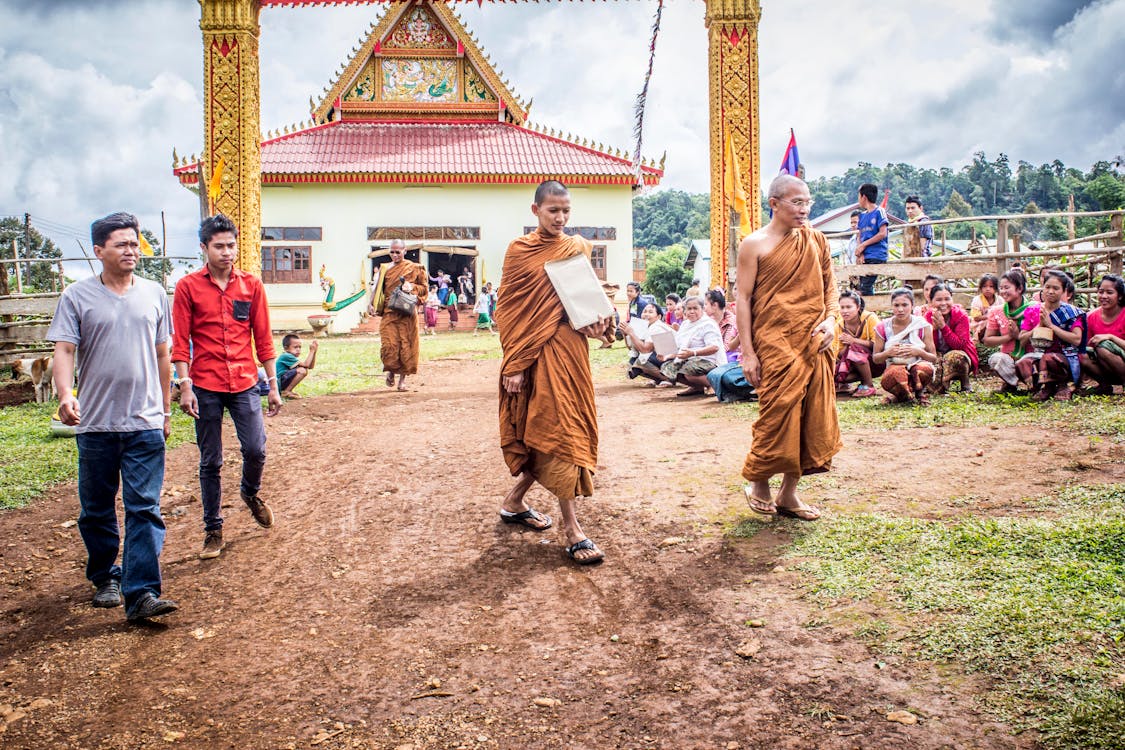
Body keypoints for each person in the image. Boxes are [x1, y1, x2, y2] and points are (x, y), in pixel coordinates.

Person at [47, 212, 178, 622]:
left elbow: (163, 354)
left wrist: (165, 409)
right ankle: (105, 575)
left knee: (144, 507)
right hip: (97, 424)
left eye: (135, 243)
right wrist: (66, 394)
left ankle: (141, 594)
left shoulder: (155, 293)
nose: (131, 251)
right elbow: (65, 350)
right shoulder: (77, 296)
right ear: (98, 250)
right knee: (97, 508)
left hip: (144, 423)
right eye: (121, 244)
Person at [495, 180, 612, 565]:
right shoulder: (519, 252)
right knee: (558, 432)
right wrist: (514, 363)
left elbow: (587, 299)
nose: (560, 218)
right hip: (533, 356)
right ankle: (573, 529)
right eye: (552, 211)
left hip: (570, 352)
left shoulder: (576, 248)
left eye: (565, 211)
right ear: (536, 211)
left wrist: (601, 326)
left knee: (557, 430)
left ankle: (514, 502)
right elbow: (509, 311)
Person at [174, 214, 281, 560]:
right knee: (211, 460)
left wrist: (274, 385)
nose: (226, 252)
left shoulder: (251, 285)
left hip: (245, 382)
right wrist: (185, 385)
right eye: (218, 246)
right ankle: (213, 529)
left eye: (231, 245)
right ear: (203, 248)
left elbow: (263, 338)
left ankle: (250, 493)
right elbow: (180, 342)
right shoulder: (188, 287)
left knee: (256, 449)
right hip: (204, 384)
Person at [736, 174, 840, 521]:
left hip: (814, 338)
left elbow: (830, 290)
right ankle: (760, 479)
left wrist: (831, 321)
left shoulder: (817, 241)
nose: (804, 209)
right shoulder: (754, 244)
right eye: (797, 202)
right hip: (775, 341)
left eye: (808, 202)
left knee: (811, 413)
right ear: (774, 204)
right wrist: (747, 352)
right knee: (778, 409)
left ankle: (790, 493)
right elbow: (744, 298)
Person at [367, 238, 429, 390]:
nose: (394, 255)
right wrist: (370, 303)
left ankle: (402, 382)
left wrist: (412, 287)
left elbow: (424, 288)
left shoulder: (415, 268)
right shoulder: (384, 269)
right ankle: (390, 370)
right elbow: (377, 288)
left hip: (407, 313)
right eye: (392, 252)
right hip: (390, 311)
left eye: (398, 252)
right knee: (389, 344)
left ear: (404, 251)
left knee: (406, 345)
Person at [1019, 270, 1085, 402]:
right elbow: (1022, 340)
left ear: (1064, 291)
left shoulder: (1071, 313)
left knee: (1049, 359)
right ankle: (1045, 386)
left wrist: (1051, 326)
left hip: (1065, 357)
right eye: (1047, 287)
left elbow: (1077, 340)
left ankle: (1063, 385)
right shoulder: (1033, 310)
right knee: (1023, 363)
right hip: (1038, 354)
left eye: (1056, 288)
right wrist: (1039, 326)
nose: (1050, 291)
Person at [873, 287, 939, 405]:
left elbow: (933, 357)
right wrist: (888, 353)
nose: (900, 309)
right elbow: (876, 358)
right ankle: (903, 395)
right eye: (896, 305)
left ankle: (919, 393)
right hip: (894, 365)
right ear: (892, 306)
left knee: (923, 369)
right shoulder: (883, 327)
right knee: (896, 374)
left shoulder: (922, 325)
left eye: (905, 305)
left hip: (917, 364)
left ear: (912, 305)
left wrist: (919, 352)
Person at [657, 295, 725, 395]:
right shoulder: (685, 324)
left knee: (688, 371)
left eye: (695, 308)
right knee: (667, 368)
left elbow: (714, 347)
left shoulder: (708, 324)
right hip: (690, 359)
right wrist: (666, 356)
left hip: (709, 361)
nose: (692, 311)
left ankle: (712, 385)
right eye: (689, 309)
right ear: (685, 311)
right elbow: (680, 347)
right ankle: (697, 387)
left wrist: (693, 353)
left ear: (702, 309)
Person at [982, 268, 1033, 394]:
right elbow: (987, 340)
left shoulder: (1034, 309)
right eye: (1001, 288)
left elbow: (1041, 338)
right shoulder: (997, 311)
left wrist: (1019, 336)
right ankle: (1011, 383)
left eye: (1007, 287)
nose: (1003, 291)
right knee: (996, 359)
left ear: (1020, 289)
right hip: (1009, 357)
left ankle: (1034, 384)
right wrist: (1009, 337)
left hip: (1031, 357)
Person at [924, 283, 978, 393]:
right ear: (931, 301)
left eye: (947, 299)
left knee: (957, 357)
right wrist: (933, 329)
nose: (943, 303)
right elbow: (927, 346)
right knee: (934, 389)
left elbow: (960, 344)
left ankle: (965, 382)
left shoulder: (960, 315)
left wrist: (943, 327)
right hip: (937, 353)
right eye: (939, 300)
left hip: (958, 352)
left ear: (952, 299)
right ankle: (941, 383)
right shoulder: (928, 316)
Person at [1081, 274, 1125, 394]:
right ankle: (1104, 385)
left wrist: (1111, 337)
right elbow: (1087, 346)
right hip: (1106, 366)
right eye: (1101, 292)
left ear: (1120, 296)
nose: (1104, 296)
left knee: (1103, 346)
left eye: (1109, 292)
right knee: (1082, 354)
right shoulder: (1090, 317)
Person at [834, 290, 879, 398]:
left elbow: (878, 345)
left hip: (876, 362)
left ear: (858, 307)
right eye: (842, 307)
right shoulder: (838, 326)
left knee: (855, 348)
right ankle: (849, 385)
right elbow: (838, 355)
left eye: (849, 307)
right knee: (833, 375)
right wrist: (847, 346)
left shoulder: (870, 318)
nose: (844, 311)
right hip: (852, 364)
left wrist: (853, 341)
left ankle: (868, 385)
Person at [620, 302, 672, 384]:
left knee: (643, 359)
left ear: (658, 317)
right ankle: (658, 379)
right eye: (644, 311)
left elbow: (645, 350)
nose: (646, 314)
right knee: (633, 360)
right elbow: (632, 348)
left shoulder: (657, 326)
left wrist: (631, 333)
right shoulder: (644, 327)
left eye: (650, 312)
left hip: (671, 359)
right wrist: (625, 334)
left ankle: (668, 379)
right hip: (660, 357)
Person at [854, 183, 889, 296]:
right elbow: (859, 235)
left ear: (863, 197)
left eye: (859, 196)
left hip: (876, 254)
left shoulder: (879, 211)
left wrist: (863, 245)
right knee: (860, 285)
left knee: (865, 286)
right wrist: (861, 252)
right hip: (865, 256)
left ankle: (869, 310)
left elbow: (882, 233)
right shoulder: (862, 216)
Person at [276, 333, 318, 399]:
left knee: (303, 369)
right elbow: (306, 365)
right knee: (302, 370)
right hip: (277, 383)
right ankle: (286, 392)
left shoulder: (291, 356)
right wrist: (311, 351)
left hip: (281, 381)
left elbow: (310, 367)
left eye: (299, 347)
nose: (298, 349)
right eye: (295, 347)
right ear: (286, 348)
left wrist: (314, 352)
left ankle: (287, 391)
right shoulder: (286, 356)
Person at [705, 289, 740, 362]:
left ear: (714, 305)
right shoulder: (706, 320)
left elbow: (727, 347)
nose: (704, 308)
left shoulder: (731, 321)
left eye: (706, 304)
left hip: (725, 356)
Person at [970, 273, 1000, 342]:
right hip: (979, 326)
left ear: (995, 288)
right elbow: (976, 317)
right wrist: (991, 316)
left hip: (996, 323)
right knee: (988, 322)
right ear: (981, 288)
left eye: (991, 286)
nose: (988, 289)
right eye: (984, 286)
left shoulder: (999, 300)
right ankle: (983, 339)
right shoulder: (977, 300)